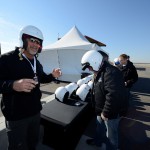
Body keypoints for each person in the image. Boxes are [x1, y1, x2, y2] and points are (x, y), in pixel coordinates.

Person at [0, 25, 62, 150]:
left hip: (35, 112)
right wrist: (13, 85)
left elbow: (41, 78)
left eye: (38, 42)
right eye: (32, 40)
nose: (35, 44)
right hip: (16, 116)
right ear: (23, 40)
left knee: (32, 143)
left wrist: (52, 76)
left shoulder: (36, 62)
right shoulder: (7, 59)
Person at [81, 50, 128, 150]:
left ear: (95, 62)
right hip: (100, 109)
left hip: (110, 112)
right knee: (99, 129)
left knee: (111, 136)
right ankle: (97, 142)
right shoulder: (99, 71)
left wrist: (106, 112)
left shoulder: (111, 72)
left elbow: (113, 95)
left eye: (89, 67)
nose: (89, 69)